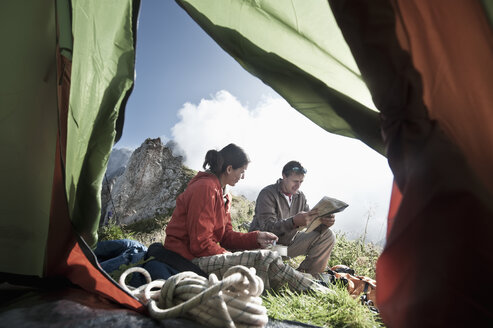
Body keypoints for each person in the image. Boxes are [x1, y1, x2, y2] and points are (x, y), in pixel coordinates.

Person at [164, 144, 327, 292]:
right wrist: (230, 256)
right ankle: (314, 289)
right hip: (186, 258)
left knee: (265, 259)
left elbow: (226, 236)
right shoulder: (205, 188)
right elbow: (200, 245)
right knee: (265, 258)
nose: (242, 177)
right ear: (229, 169)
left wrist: (255, 238)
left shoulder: (224, 194)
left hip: (205, 255)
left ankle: (311, 285)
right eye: (241, 171)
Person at [249, 160, 336, 275]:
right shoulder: (267, 194)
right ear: (284, 176)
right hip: (266, 247)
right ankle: (286, 275)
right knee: (267, 257)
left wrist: (324, 224)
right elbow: (267, 227)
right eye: (295, 181)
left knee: (328, 235)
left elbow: (310, 223)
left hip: (287, 247)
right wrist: (293, 222)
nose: (298, 185)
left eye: (301, 182)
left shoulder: (300, 197)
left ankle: (308, 276)